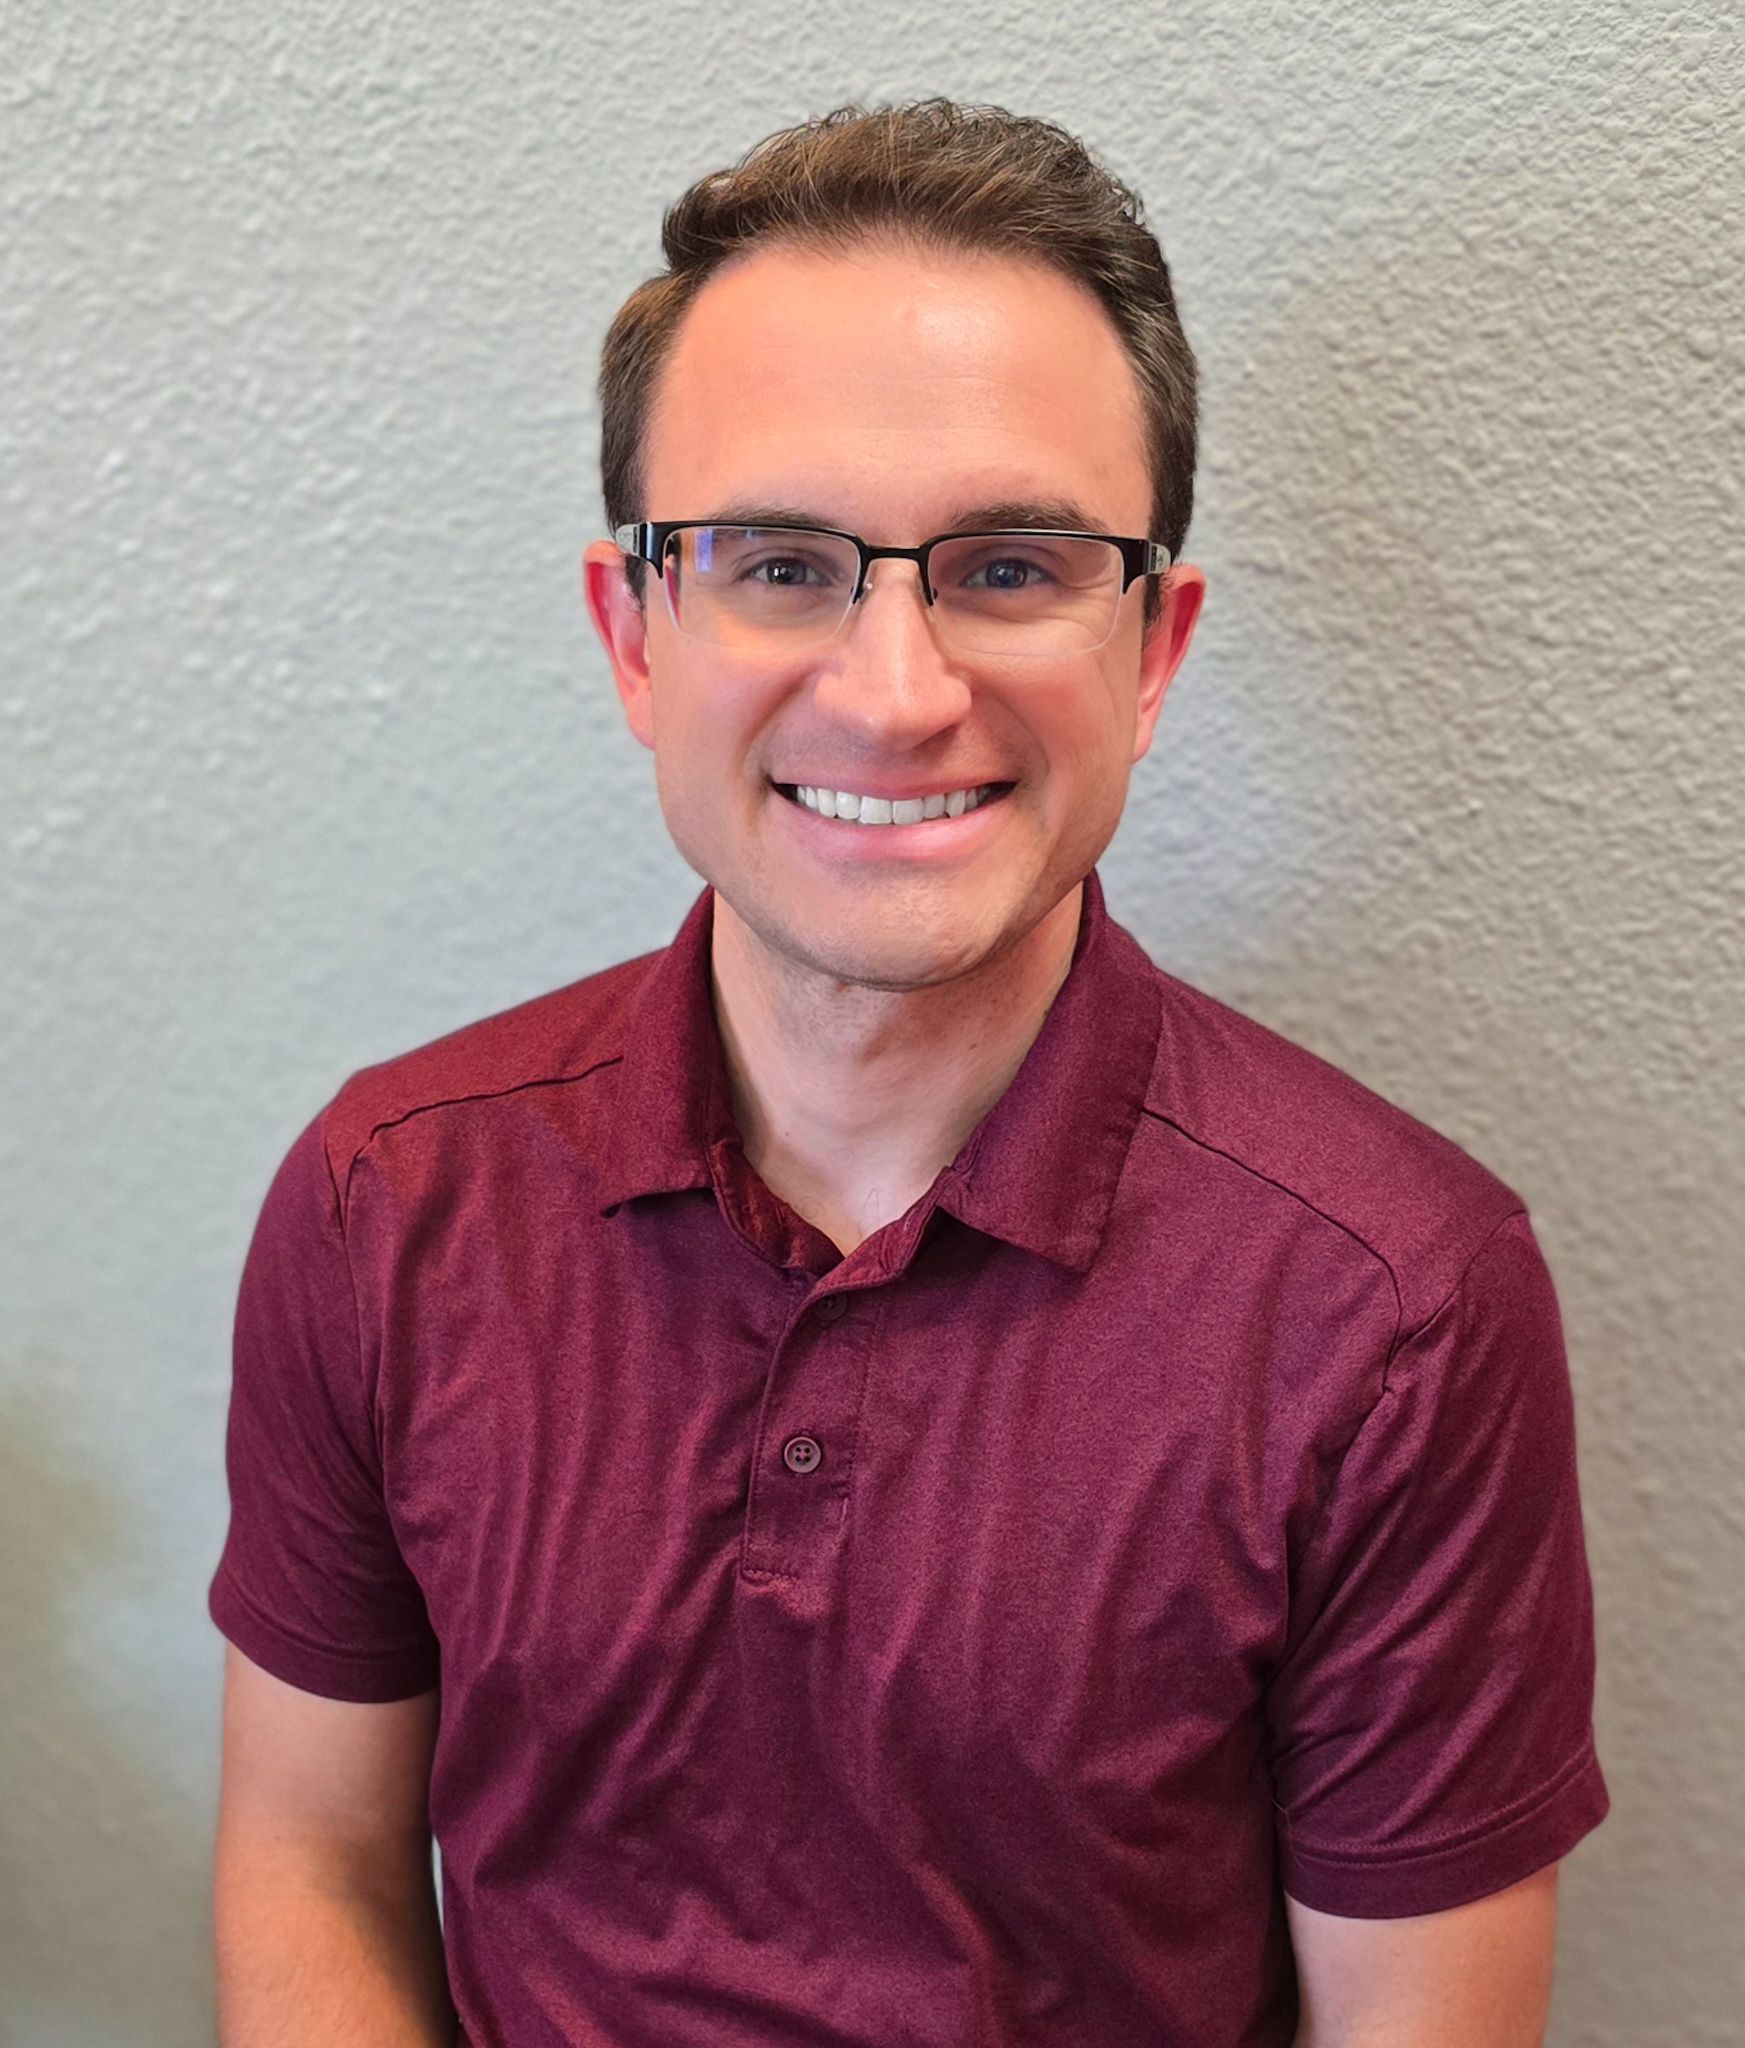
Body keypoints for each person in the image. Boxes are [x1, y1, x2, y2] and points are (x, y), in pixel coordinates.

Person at [208, 98, 1607, 2048]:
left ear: (1151, 650)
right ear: (635, 636)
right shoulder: (386, 1200)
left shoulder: (1395, 1309)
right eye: (780, 563)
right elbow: (312, 1860)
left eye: (1011, 566)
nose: (893, 691)